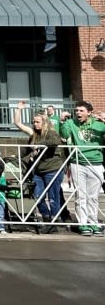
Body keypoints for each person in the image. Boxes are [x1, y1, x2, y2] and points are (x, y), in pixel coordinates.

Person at [12, 101, 65, 234]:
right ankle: (47, 218)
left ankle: (53, 222)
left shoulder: (51, 133)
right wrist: (18, 109)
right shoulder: (33, 135)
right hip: (38, 170)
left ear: (44, 122)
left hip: (52, 169)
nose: (34, 124)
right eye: (33, 122)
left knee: (53, 196)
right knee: (37, 195)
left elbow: (55, 142)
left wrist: (40, 145)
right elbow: (18, 124)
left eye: (37, 122)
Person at [59, 101, 105, 236]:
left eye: (81, 111)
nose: (78, 113)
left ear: (89, 112)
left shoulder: (99, 125)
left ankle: (93, 222)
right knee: (81, 195)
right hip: (77, 161)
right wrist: (62, 121)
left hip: (96, 162)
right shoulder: (71, 123)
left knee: (93, 196)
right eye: (77, 110)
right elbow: (64, 134)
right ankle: (82, 223)